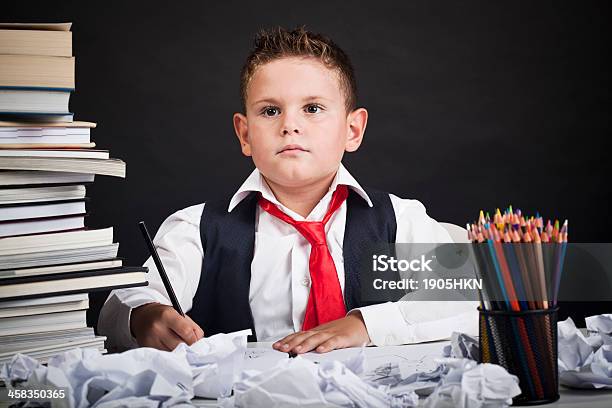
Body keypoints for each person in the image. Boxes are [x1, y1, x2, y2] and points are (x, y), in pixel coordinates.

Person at [98, 26, 478, 354]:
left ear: (353, 130)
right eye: (269, 111)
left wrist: (367, 325)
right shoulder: (196, 229)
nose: (289, 125)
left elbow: (470, 291)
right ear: (244, 134)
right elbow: (119, 306)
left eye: (312, 108)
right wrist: (143, 316)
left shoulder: (398, 220)